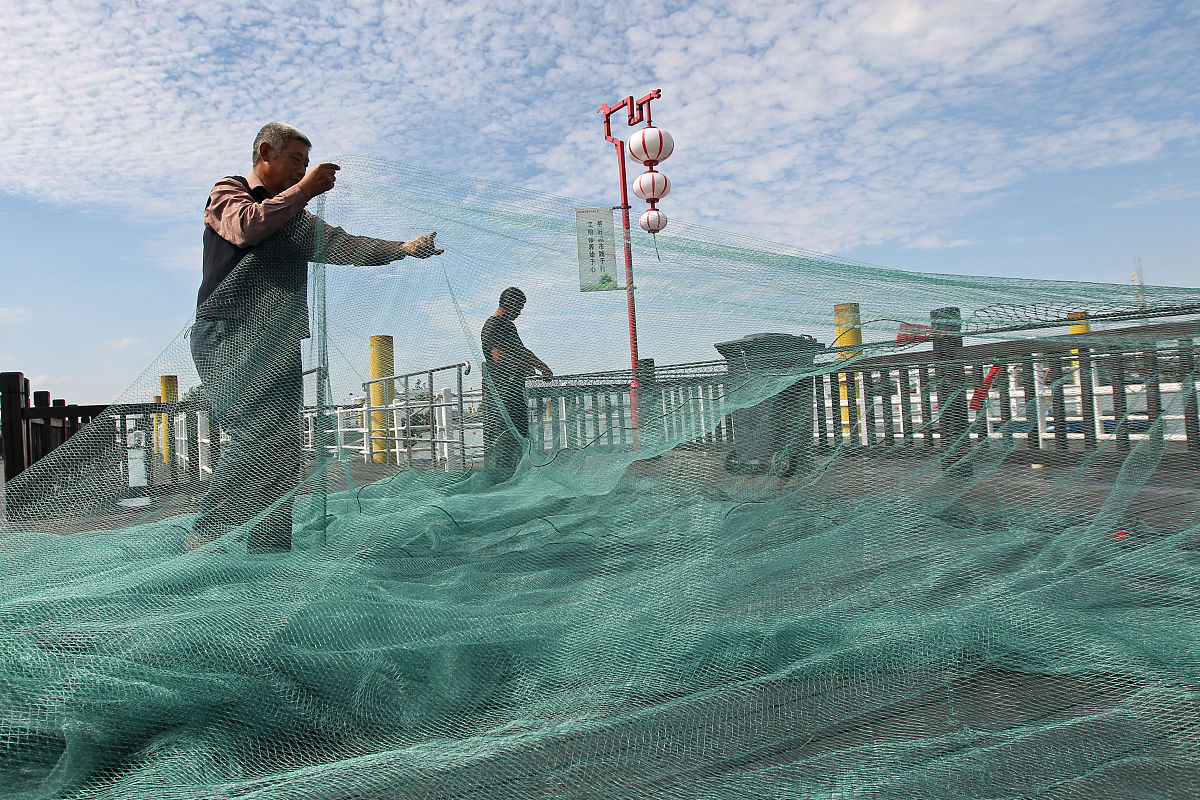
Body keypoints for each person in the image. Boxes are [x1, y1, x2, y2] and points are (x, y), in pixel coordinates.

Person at [189, 122, 443, 552]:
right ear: (265, 153)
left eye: (306, 166)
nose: (301, 172)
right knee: (256, 433)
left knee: (284, 444)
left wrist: (401, 248)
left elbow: (343, 245)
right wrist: (305, 190)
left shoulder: (295, 218)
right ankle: (205, 537)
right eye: (295, 162)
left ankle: (269, 546)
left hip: (279, 337)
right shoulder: (230, 192)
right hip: (228, 332)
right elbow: (246, 227)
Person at [480, 287, 551, 477]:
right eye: (518, 308)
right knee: (505, 440)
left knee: (521, 436)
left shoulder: (509, 326)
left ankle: (518, 477)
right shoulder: (492, 325)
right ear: (507, 304)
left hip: (516, 393)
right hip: (502, 395)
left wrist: (540, 365)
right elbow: (498, 357)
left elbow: (521, 349)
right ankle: (502, 480)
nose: (519, 313)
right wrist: (525, 368)